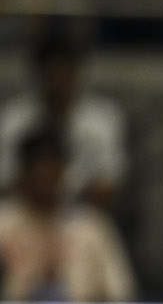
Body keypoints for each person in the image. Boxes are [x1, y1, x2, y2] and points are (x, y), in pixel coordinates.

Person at [0, 127, 134, 302]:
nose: (46, 175)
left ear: (63, 170)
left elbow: (120, 294)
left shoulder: (90, 225)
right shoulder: (4, 222)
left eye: (53, 166)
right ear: (24, 172)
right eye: (39, 166)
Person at [0, 34, 127, 209]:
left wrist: (56, 196)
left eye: (64, 69)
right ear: (38, 72)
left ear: (76, 70)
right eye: (51, 70)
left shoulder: (102, 118)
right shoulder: (14, 117)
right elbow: (7, 182)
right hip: (25, 214)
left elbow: (108, 186)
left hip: (82, 216)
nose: (58, 78)